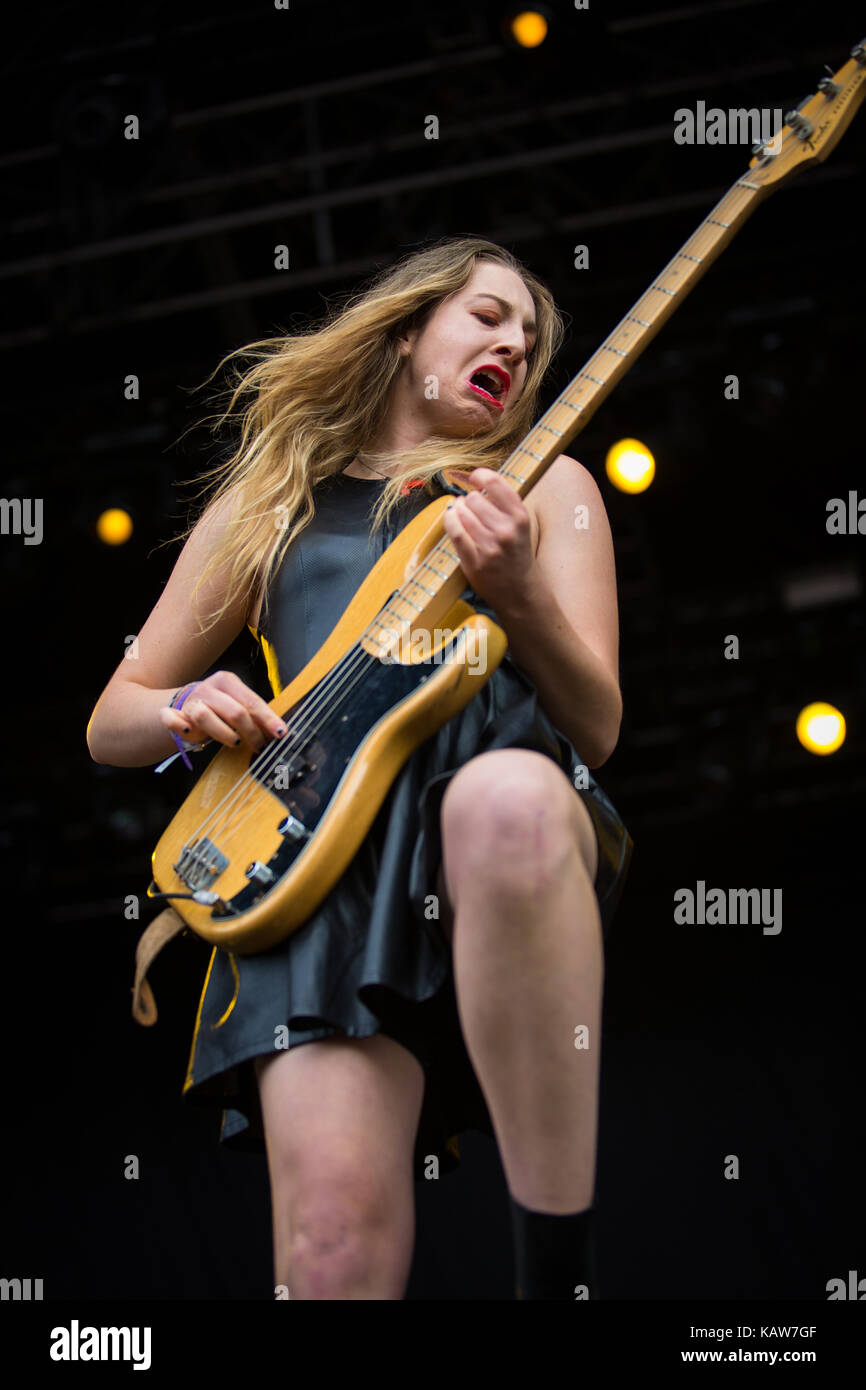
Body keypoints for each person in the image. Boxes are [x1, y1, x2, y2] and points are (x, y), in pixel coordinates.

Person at [86, 235, 633, 1300]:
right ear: (403, 331)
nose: (514, 345)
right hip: (311, 863)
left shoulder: (545, 486)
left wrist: (517, 591)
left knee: (509, 803)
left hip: (487, 811)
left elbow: (596, 723)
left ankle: (556, 1278)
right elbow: (113, 719)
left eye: (529, 337)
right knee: (329, 1255)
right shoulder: (270, 504)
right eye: (486, 318)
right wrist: (189, 708)